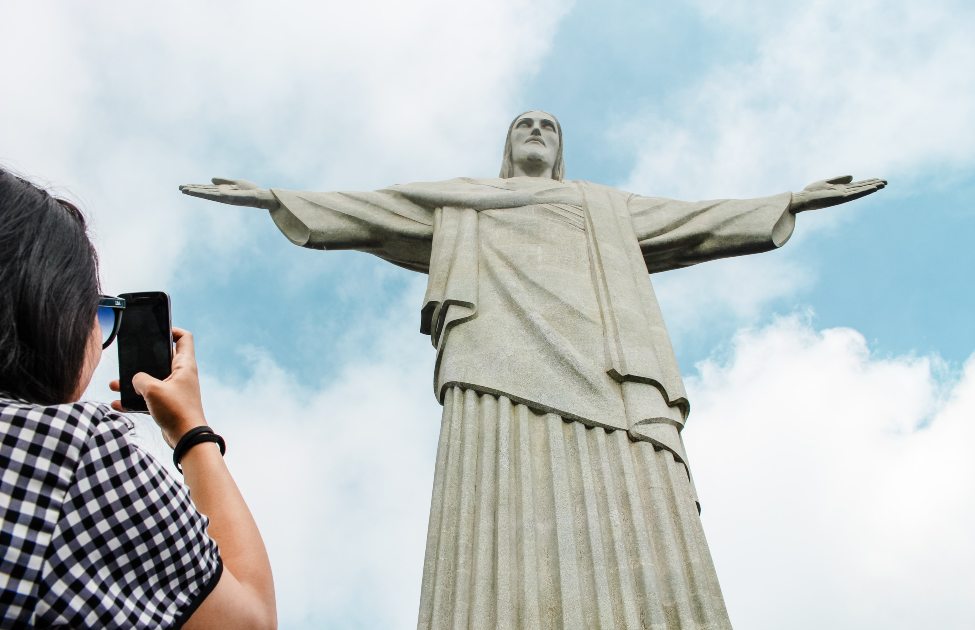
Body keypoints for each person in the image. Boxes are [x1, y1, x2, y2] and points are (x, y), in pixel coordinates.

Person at [181, 111, 885, 629]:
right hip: (493, 367)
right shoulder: (460, 200)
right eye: (524, 123)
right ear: (507, 145)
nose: (537, 131)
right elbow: (374, 209)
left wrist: (787, 201)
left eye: (548, 125)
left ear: (560, 146)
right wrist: (278, 198)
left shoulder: (604, 207)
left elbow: (694, 220)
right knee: (496, 500)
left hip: (611, 372)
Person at [0, 169, 276, 629]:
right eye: (98, 310)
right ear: (47, 307)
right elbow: (248, 621)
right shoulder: (66, 452)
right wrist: (192, 431)